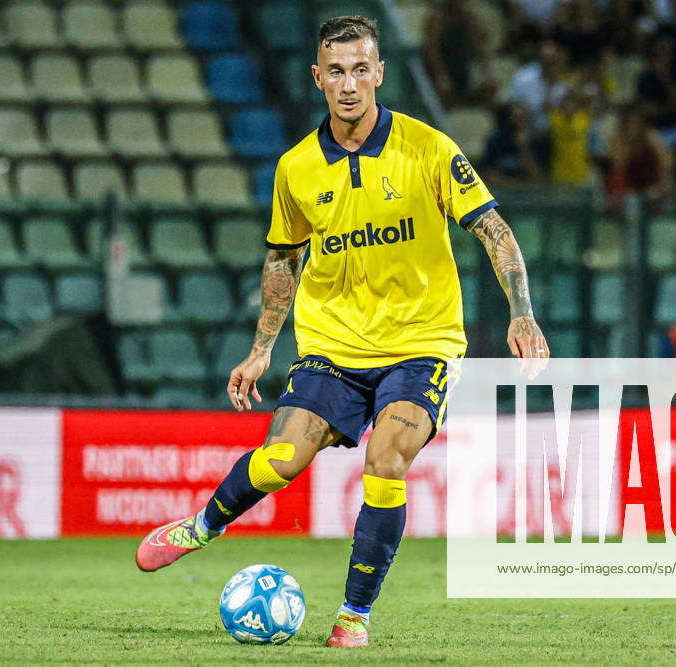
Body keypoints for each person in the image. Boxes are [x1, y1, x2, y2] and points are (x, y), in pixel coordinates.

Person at [133, 16, 549, 648]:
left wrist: (521, 309)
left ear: (380, 73)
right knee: (279, 462)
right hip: (331, 346)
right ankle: (202, 526)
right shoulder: (296, 168)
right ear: (318, 78)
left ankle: (354, 614)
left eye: (361, 69)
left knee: (387, 458)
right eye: (337, 71)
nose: (349, 84)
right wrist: (262, 347)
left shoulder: (429, 149)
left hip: (420, 344)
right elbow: (283, 258)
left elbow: (493, 229)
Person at [422, 0, 498, 108]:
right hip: (443, 71)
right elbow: (432, 53)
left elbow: (480, 49)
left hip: (463, 70)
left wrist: (487, 74)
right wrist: (441, 77)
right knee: (444, 92)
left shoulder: (470, 19)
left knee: (490, 89)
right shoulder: (435, 20)